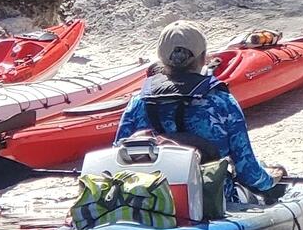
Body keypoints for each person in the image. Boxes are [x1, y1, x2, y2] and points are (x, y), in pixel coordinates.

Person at [114, 21, 288, 203]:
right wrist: (272, 178)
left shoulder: (137, 102)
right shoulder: (221, 102)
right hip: (211, 202)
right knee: (268, 188)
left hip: (147, 201)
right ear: (203, 57)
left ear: (160, 57)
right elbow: (247, 172)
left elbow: (118, 156)